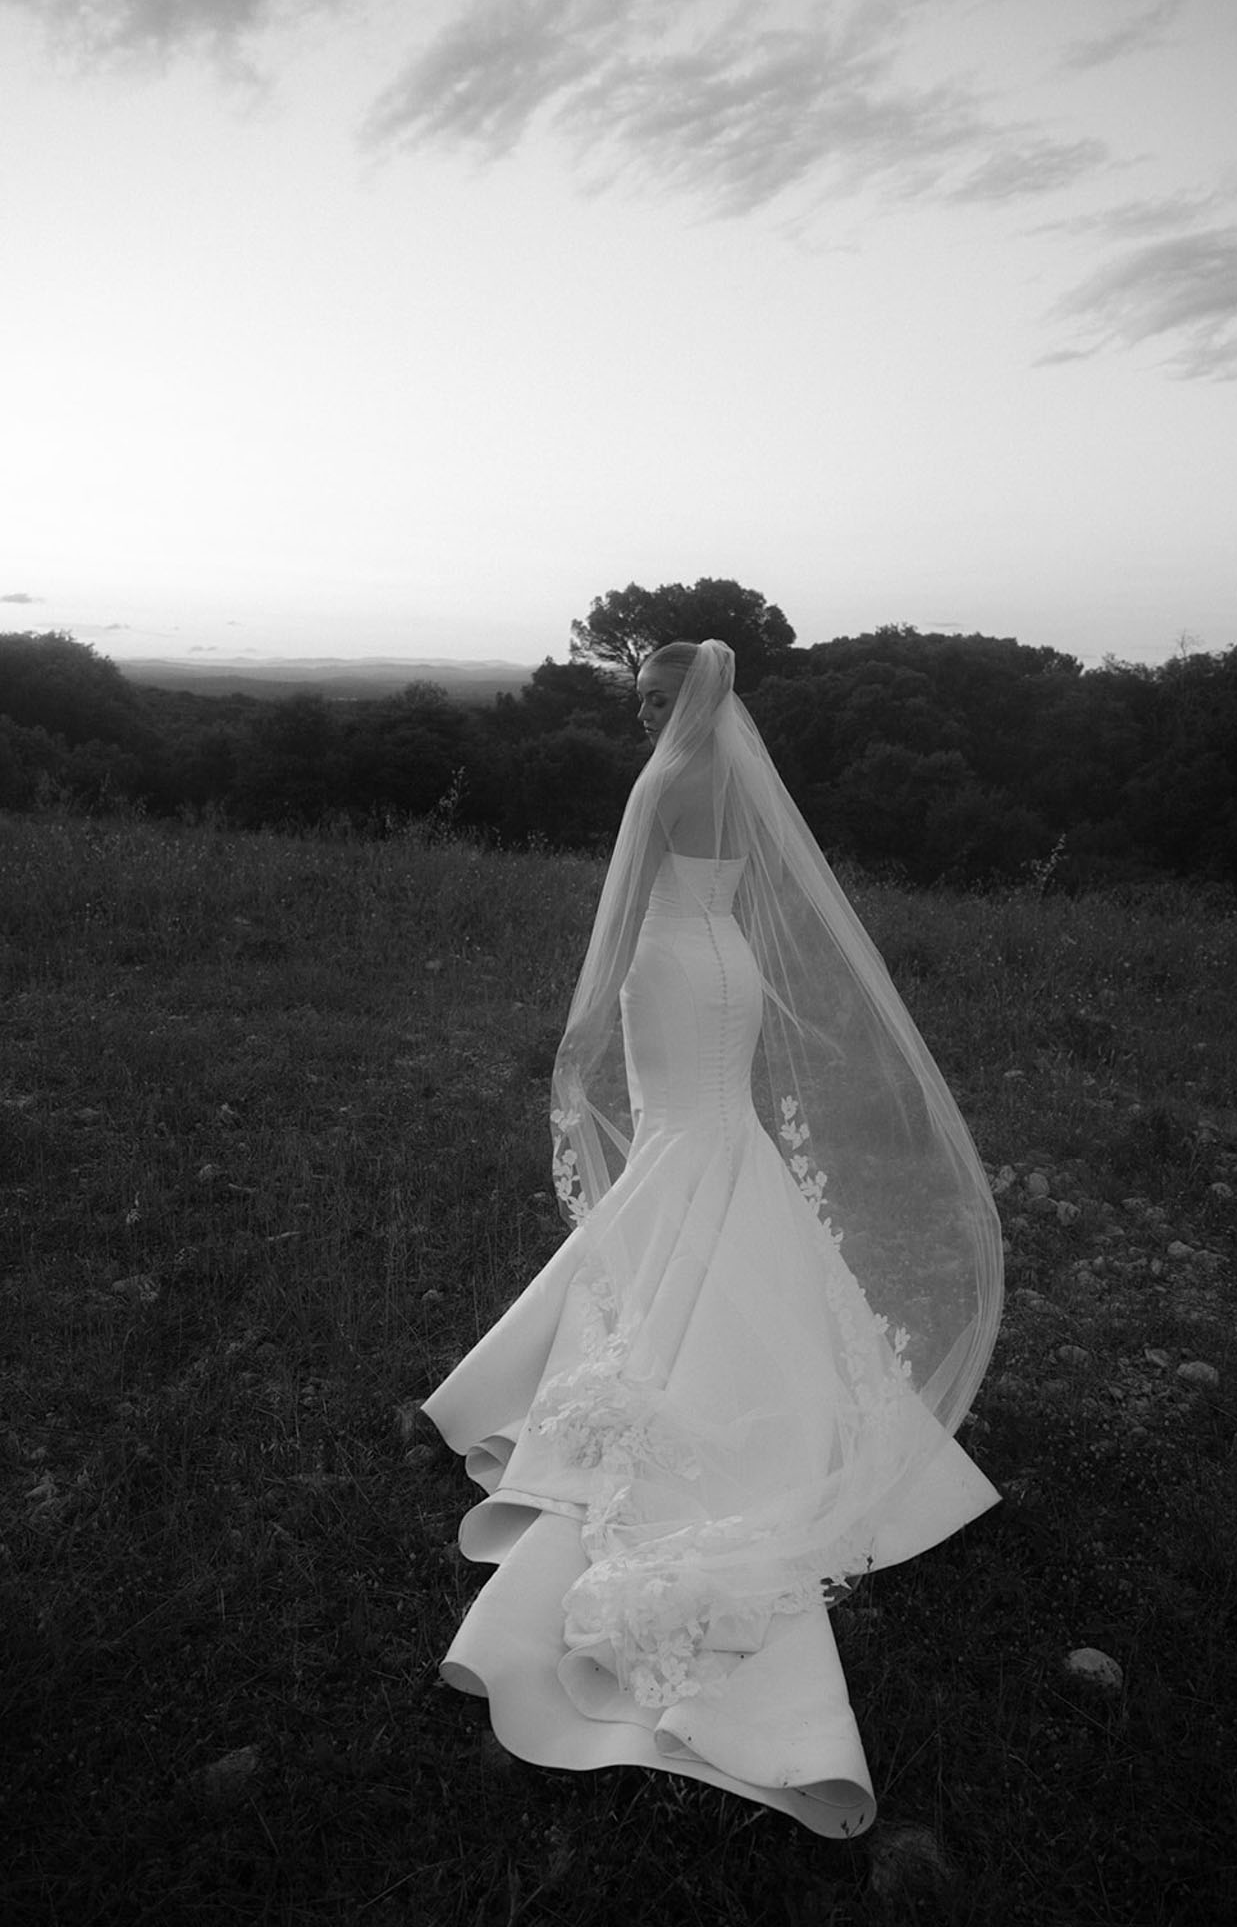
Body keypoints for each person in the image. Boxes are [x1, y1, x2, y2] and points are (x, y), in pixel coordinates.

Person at [422, 638, 1002, 1837]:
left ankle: (659, 1351)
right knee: (715, 1143)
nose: (640, 713)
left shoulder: (672, 772)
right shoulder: (739, 769)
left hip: (672, 972)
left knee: (683, 1141)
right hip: (723, 959)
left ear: (688, 696)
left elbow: (625, 901)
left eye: (650, 695)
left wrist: (579, 1027)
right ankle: (750, 1339)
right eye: (634, 695)